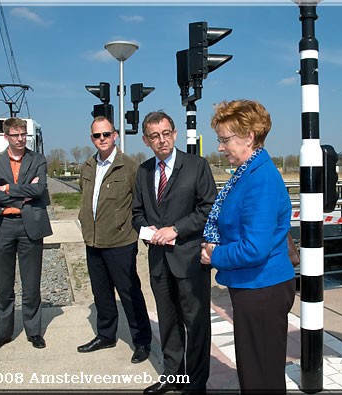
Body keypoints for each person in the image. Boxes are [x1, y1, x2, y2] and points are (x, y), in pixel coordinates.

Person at [200, 100, 296, 392]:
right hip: (254, 288)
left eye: (225, 139)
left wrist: (215, 254)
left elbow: (255, 248)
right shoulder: (248, 173)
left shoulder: (260, 179)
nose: (219, 147)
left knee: (261, 376)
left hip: (262, 290)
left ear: (249, 137)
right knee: (256, 370)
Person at [132, 111, 216, 394]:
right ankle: (173, 376)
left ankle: (195, 384)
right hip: (158, 261)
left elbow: (208, 210)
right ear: (146, 140)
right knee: (168, 323)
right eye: (155, 136)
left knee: (196, 324)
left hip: (190, 260)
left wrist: (175, 230)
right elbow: (137, 214)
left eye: (166, 133)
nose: (162, 140)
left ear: (175, 134)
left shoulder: (196, 165)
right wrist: (149, 231)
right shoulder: (143, 171)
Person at [77, 116, 152, 364]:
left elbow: (139, 202)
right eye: (97, 136)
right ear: (91, 138)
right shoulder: (87, 166)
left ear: (115, 135)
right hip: (93, 241)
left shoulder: (129, 167)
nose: (102, 139)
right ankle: (106, 334)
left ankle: (142, 340)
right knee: (101, 293)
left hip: (120, 241)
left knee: (129, 293)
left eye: (106, 134)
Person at [0, 117, 52, 352]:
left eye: (23, 134)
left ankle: (34, 332)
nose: (20, 139)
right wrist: (23, 194)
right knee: (5, 285)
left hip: (30, 226)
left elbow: (39, 189)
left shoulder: (37, 159)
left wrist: (7, 188)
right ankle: (3, 333)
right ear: (6, 136)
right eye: (15, 135)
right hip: (2, 227)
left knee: (31, 283)